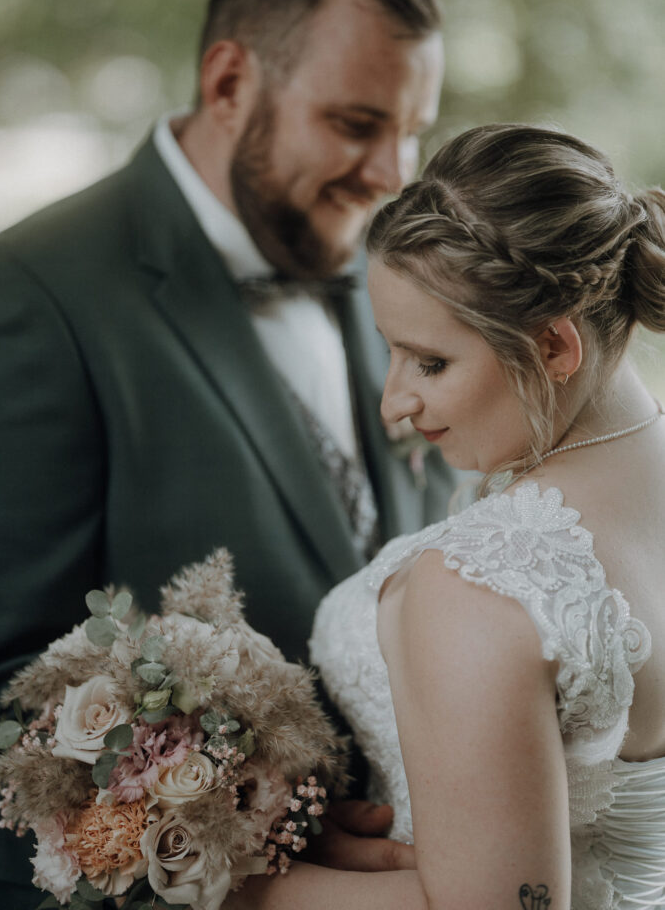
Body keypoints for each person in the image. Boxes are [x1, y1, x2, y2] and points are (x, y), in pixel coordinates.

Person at [0, 0, 456, 904]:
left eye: (411, 131)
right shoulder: (31, 297)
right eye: (356, 123)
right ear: (230, 80)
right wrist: (239, 830)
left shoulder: (394, 285)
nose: (390, 173)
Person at [224, 123, 665, 909]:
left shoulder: (483, 585)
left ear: (554, 347)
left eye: (430, 362)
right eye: (389, 353)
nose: (395, 402)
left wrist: (223, 888)